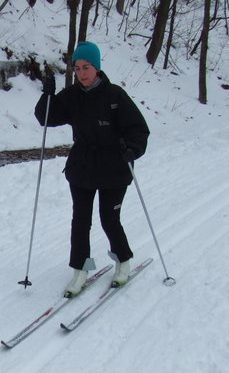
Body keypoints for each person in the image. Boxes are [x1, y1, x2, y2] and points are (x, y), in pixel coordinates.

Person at [34, 41, 149, 296]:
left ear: (96, 67)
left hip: (114, 166)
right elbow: (46, 118)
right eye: (77, 68)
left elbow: (138, 129)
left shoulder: (115, 96)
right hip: (83, 165)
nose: (82, 73)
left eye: (86, 67)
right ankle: (81, 270)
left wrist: (133, 149)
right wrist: (47, 95)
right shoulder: (72, 96)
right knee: (80, 220)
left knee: (109, 218)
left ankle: (123, 261)